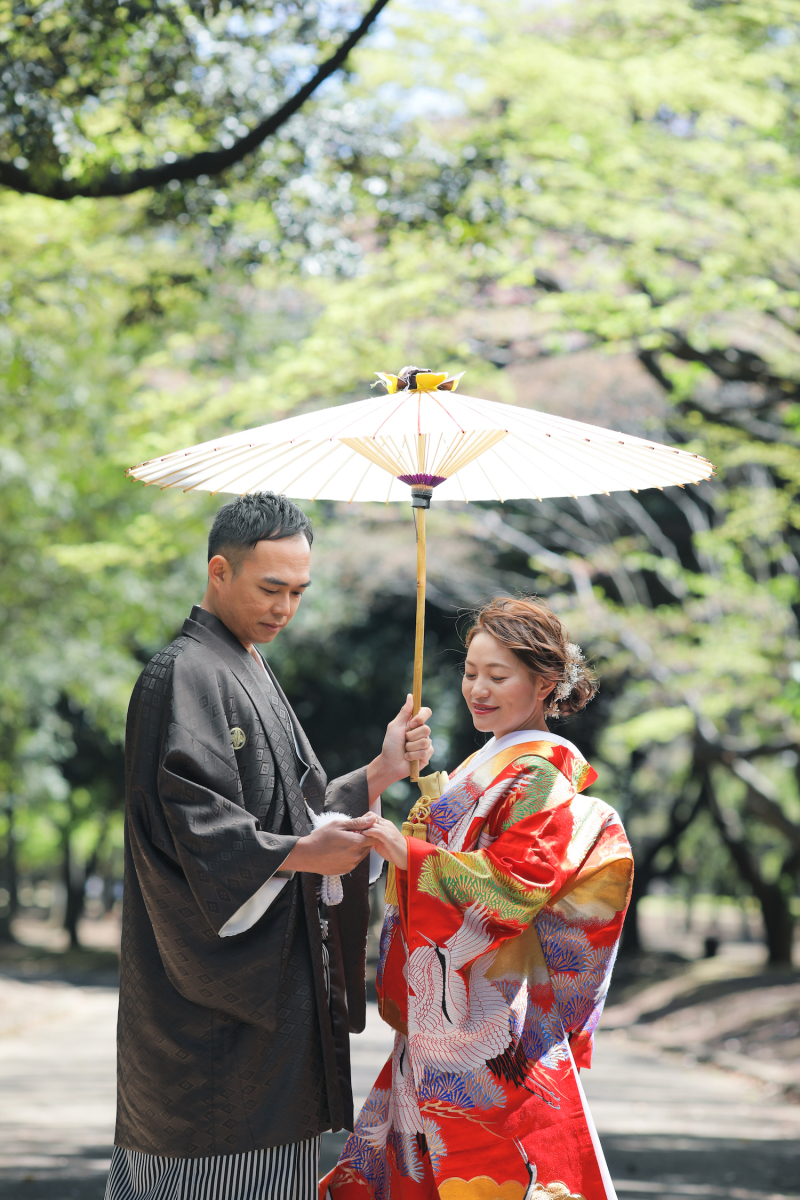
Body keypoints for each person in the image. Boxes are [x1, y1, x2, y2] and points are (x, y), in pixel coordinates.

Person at [105, 492, 433, 1200]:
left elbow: (299, 811)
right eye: (270, 588)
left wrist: (379, 774)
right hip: (210, 1015)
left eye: (298, 592)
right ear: (219, 572)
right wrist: (300, 854)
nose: (285, 608)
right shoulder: (183, 673)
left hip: (271, 999)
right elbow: (193, 822)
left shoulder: (245, 663)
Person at [322, 597, 633, 1200]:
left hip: (493, 1014)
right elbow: (457, 846)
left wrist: (405, 849)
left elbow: (515, 887)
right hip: (445, 1003)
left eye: (498, 676)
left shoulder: (541, 770)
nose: (477, 690)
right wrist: (419, 784)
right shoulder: (490, 760)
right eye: (470, 672)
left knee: (489, 1170)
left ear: (545, 684)